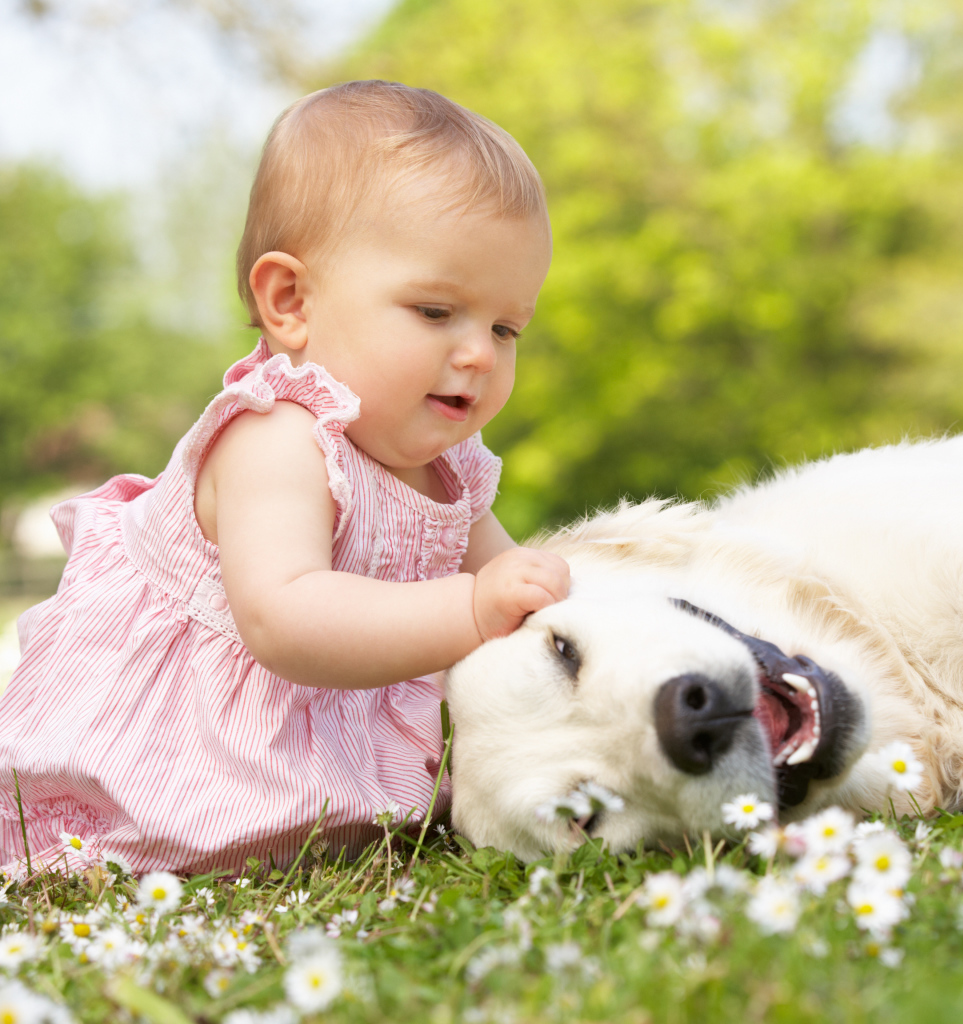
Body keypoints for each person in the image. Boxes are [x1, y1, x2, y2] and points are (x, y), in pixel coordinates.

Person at [0, 81, 571, 875]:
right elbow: (286, 618)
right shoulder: (276, 435)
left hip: (323, 744)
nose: (480, 353)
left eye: (506, 327)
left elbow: (514, 583)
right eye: (437, 312)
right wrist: (474, 607)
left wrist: (544, 601)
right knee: (129, 843)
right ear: (290, 300)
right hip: (189, 743)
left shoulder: (452, 471)